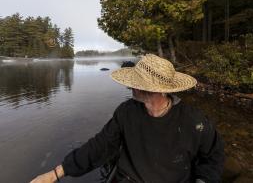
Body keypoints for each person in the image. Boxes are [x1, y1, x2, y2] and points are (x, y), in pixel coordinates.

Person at [30, 54, 224, 183]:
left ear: (151, 89)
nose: (130, 87)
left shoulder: (193, 121)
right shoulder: (126, 112)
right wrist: (56, 173)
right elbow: (99, 146)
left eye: (135, 83)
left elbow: (213, 156)